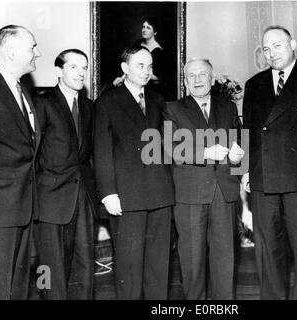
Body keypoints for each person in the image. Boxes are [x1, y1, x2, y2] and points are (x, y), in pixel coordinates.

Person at [242, 25, 297, 300]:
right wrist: (244, 170)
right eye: (266, 49)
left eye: (277, 46)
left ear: (293, 44)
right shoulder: (254, 84)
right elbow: (247, 131)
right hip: (263, 180)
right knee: (267, 253)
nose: (271, 53)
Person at [94, 45, 174, 300]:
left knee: (158, 265)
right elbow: (102, 149)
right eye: (140, 65)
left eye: (150, 66)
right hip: (127, 197)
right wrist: (108, 193)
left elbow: (169, 145)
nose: (146, 71)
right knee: (129, 267)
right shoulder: (107, 101)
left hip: (160, 195)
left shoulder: (157, 100)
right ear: (124, 68)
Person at [163, 58, 245, 300]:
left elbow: (240, 141)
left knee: (225, 258)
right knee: (192, 260)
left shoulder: (228, 107)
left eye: (202, 75)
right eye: (191, 76)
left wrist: (240, 156)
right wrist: (205, 154)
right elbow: (170, 147)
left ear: (212, 79)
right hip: (190, 194)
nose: (197, 80)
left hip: (224, 191)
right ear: (185, 82)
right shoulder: (172, 108)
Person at [33, 49, 96, 299]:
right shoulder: (43, 102)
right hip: (49, 196)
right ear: (58, 71)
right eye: (74, 67)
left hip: (82, 195)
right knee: (49, 265)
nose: (81, 73)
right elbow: (33, 150)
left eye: (84, 68)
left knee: (86, 261)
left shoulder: (89, 106)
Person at [0, 25, 41, 300]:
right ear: (11, 51)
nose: (38, 53)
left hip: (23, 204)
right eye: (32, 47)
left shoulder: (21, 91)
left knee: (18, 286)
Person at [113, 17, 166, 97]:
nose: (144, 30)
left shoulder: (158, 51)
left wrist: (139, 74)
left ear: (155, 32)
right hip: (134, 80)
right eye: (143, 27)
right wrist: (122, 78)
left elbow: (158, 78)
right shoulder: (139, 43)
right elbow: (130, 64)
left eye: (148, 28)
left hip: (150, 86)